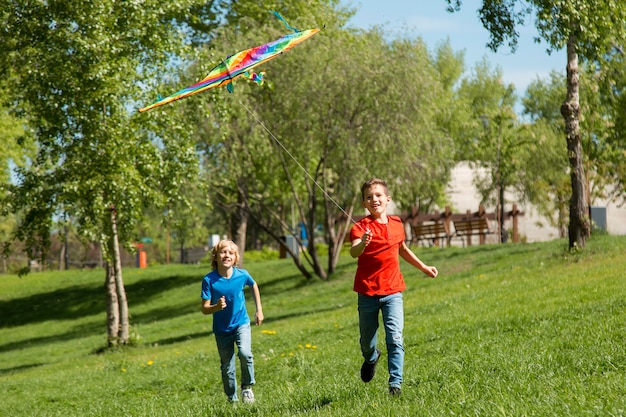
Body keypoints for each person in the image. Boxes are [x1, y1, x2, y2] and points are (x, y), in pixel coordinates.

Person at [350, 178, 438, 397]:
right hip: (367, 293)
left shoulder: (397, 224)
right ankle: (371, 357)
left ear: (387, 199)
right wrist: (363, 243)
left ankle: (395, 384)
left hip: (393, 292)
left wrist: (424, 267)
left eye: (378, 195)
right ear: (364, 203)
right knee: (367, 343)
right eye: (369, 197)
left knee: (395, 338)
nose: (374, 200)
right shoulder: (360, 227)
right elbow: (354, 251)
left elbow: (403, 249)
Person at [201, 239, 264, 404]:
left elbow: (254, 285)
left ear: (235, 258)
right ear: (215, 257)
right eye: (223, 252)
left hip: (241, 323)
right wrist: (216, 307)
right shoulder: (209, 280)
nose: (226, 255)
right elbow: (205, 308)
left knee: (245, 353)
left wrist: (259, 310)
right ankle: (232, 399)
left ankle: (247, 388)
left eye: (230, 253)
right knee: (227, 367)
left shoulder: (242, 275)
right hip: (222, 330)